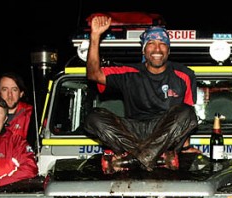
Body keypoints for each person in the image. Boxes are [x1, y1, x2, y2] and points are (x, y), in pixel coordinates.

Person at [82, 14, 199, 171]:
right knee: (93, 118)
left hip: (165, 132)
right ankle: (148, 157)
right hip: (132, 133)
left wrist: (185, 148)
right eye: (151, 43)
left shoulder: (184, 74)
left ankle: (133, 159)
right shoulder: (129, 73)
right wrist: (95, 36)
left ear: (168, 50)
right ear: (144, 51)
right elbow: (93, 75)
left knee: (187, 112)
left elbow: (185, 120)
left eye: (162, 44)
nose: (157, 49)